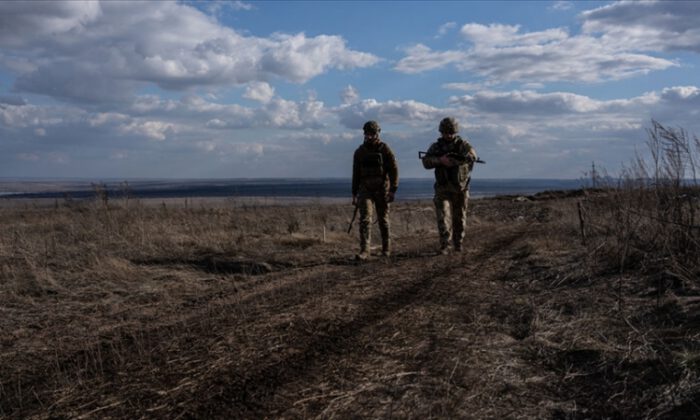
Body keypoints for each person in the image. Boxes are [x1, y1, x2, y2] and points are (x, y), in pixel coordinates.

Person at [421, 117, 477, 254]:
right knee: (443, 216)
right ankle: (445, 245)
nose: (448, 135)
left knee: (459, 217)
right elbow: (426, 162)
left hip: (460, 188)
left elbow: (473, 155)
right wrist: (440, 160)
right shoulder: (436, 146)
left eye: (450, 132)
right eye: (445, 132)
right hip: (443, 187)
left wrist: (466, 157)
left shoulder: (463, 144)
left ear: (455, 132)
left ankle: (458, 244)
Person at [352, 120, 399, 260]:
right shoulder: (360, 152)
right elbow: (356, 173)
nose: (370, 136)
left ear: (377, 133)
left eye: (373, 133)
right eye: (367, 134)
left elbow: (394, 170)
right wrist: (354, 193)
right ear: (364, 134)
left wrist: (393, 190)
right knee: (365, 219)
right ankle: (364, 251)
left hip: (382, 189)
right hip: (365, 189)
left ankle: (386, 249)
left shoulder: (385, 149)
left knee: (383, 219)